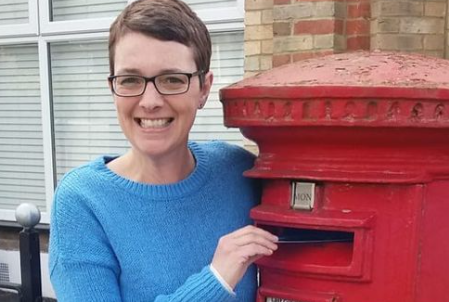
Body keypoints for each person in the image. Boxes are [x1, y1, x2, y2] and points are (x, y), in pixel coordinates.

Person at [48, 0, 278, 301]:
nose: (150, 100)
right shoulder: (82, 202)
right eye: (130, 80)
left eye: (172, 79)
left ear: (204, 89)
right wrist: (217, 279)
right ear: (112, 88)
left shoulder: (239, 171)